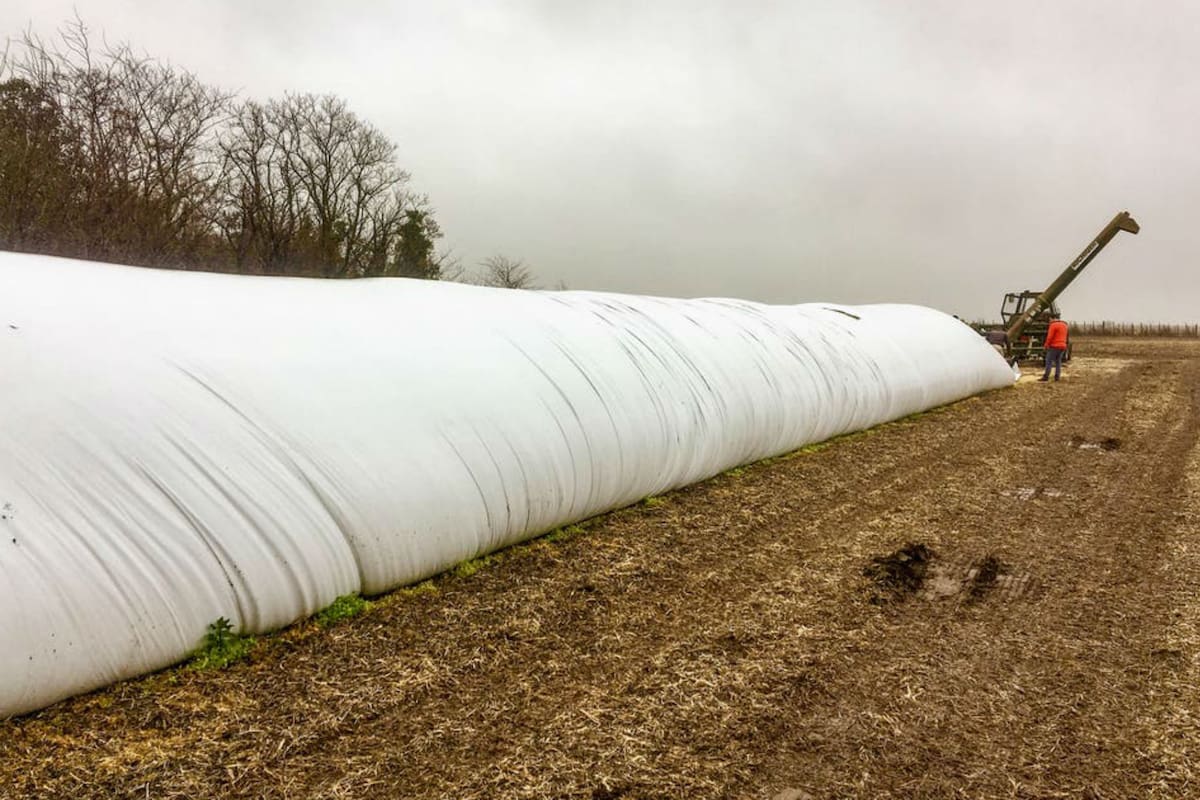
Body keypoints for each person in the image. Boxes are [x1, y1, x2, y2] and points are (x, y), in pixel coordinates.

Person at [1039, 313, 1069, 381]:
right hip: (1063, 346)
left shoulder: (1053, 325)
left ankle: (1046, 376)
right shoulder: (1064, 325)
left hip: (1054, 346)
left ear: (1051, 318)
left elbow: (1049, 337)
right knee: (1058, 362)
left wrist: (1046, 345)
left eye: (1049, 319)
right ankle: (1057, 377)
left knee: (1048, 361)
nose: (1049, 321)